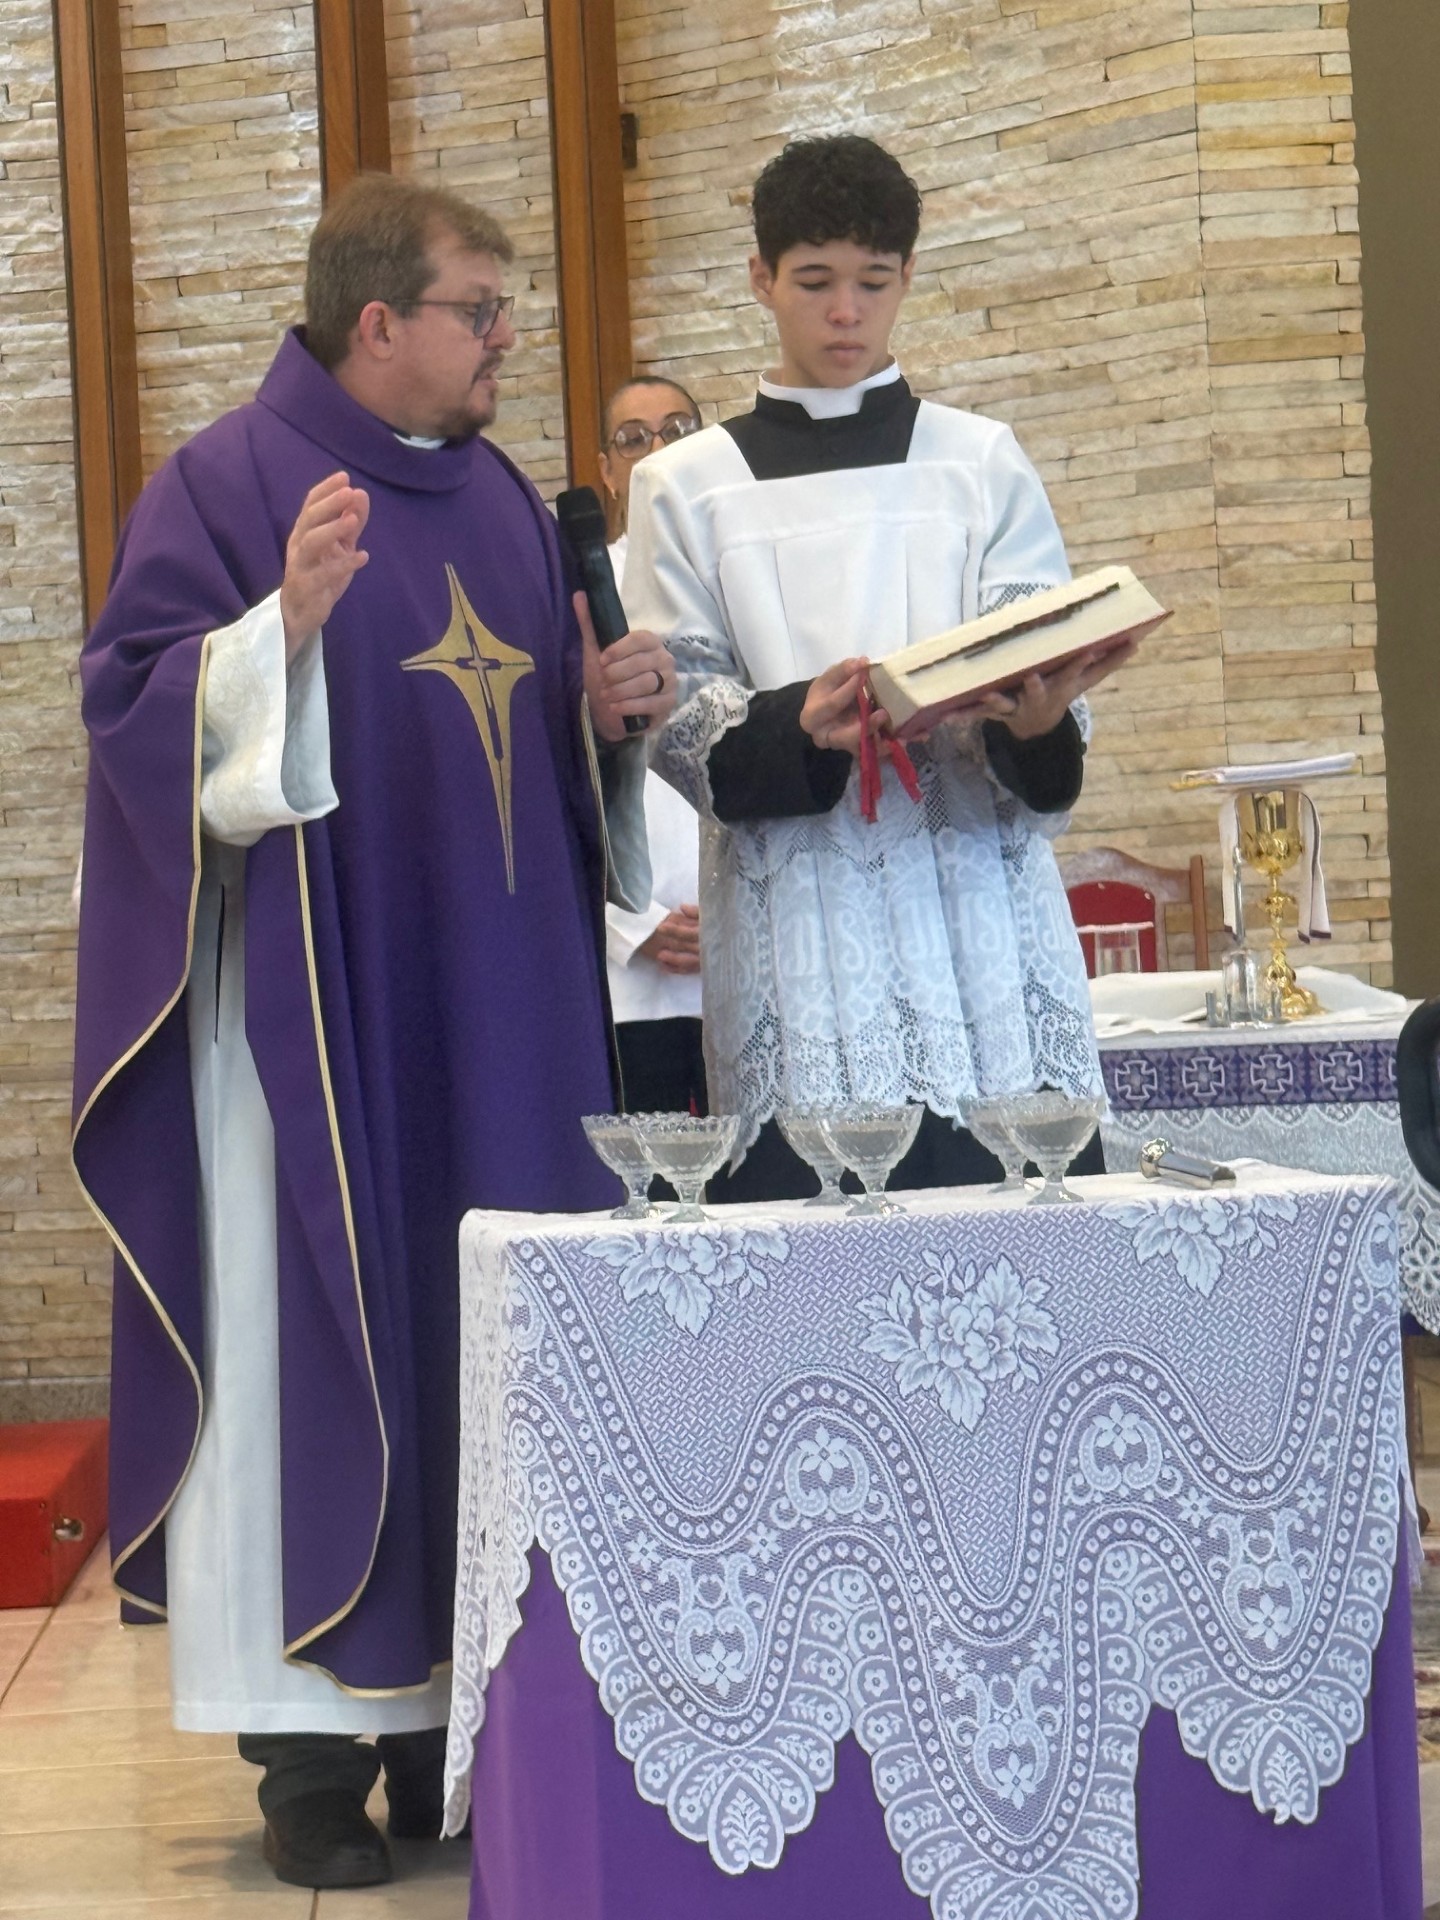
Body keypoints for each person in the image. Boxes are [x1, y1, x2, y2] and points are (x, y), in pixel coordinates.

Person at [71, 172, 674, 1888]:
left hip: (503, 1029)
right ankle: (311, 1768)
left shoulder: (497, 499)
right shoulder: (227, 484)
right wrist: (276, 636)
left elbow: (535, 765)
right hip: (315, 1041)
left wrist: (604, 720)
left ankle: (458, 1734)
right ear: (376, 322)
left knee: (498, 1357)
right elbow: (129, 714)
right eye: (480, 308)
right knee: (322, 1346)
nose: (506, 339)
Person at [623, 135, 1131, 1200]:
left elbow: (1031, 649)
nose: (845, 313)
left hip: (979, 911)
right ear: (762, 280)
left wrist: (1036, 718)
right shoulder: (685, 484)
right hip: (798, 922)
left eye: (873, 282)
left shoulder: (977, 459)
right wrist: (797, 727)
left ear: (908, 276)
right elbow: (681, 714)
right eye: (814, 283)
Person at [598, 376, 709, 1122]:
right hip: (629, 976)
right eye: (634, 438)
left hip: (745, 964)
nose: (659, 448)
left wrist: (729, 925)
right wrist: (630, 930)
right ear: (607, 470)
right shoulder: (577, 592)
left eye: (677, 428)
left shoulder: (743, 574)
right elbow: (559, 781)